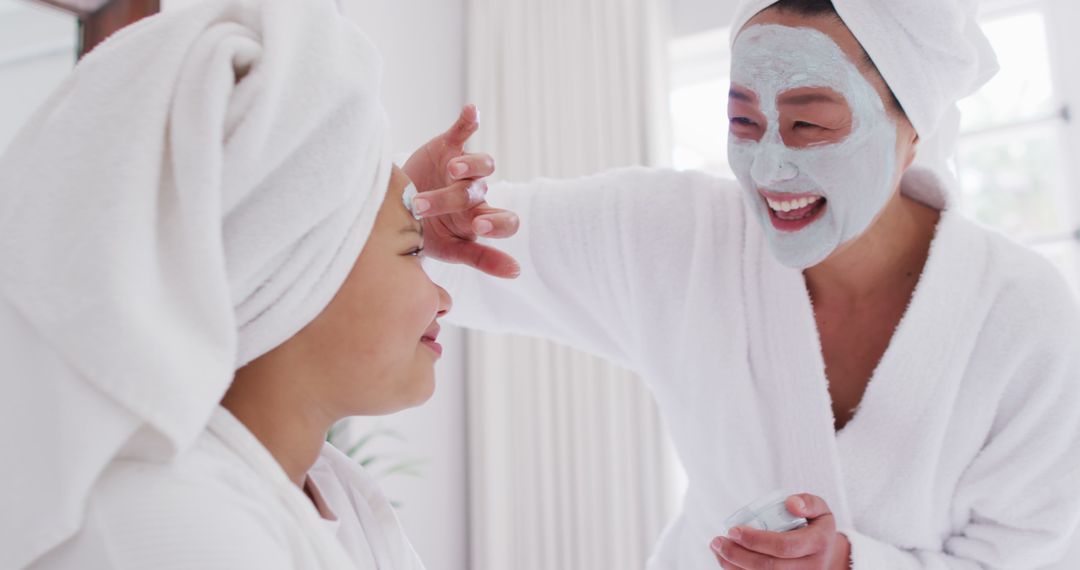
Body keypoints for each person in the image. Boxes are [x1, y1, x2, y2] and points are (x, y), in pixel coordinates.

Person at [418, 0, 1080, 567]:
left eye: (809, 124)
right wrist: (415, 212)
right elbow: (437, 251)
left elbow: (1035, 554)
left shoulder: (1024, 317)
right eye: (743, 122)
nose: (768, 166)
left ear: (914, 129)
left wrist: (854, 563)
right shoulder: (679, 237)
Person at [0, 0, 512, 568]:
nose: (444, 296)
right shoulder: (166, 533)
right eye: (414, 250)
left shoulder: (325, 488)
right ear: (289, 273)